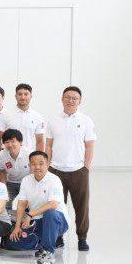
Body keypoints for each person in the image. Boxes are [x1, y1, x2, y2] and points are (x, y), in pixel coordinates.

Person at [46, 86, 95, 251]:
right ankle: (58, 236)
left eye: (75, 98)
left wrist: (86, 168)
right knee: (57, 205)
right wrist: (47, 166)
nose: (71, 100)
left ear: (80, 101)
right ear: (62, 99)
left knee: (82, 206)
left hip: (78, 170)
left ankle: (82, 238)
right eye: (68, 97)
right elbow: (49, 146)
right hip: (56, 169)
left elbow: (89, 146)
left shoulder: (86, 121)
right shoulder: (53, 120)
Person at [7, 151, 69, 264]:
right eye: (33, 164)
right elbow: (21, 204)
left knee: (50, 213)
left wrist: (30, 215)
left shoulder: (54, 180)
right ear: (29, 165)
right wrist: (17, 227)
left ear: (47, 164)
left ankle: (48, 252)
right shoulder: (26, 180)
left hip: (57, 221)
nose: (37, 167)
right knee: (14, 243)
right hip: (37, 221)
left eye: (41, 163)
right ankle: (52, 241)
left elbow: (53, 205)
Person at [0, 83, 46, 153]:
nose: (23, 97)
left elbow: (40, 141)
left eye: (26, 94)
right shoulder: (5, 114)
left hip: (29, 157)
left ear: (31, 96)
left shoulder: (38, 117)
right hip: (8, 156)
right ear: (15, 96)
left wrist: (39, 158)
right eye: (20, 94)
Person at [0, 129, 30, 203]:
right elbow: (2, 172)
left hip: (27, 184)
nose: (10, 145)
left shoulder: (29, 154)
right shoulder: (0, 155)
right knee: (6, 204)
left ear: (20, 142)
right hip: (11, 183)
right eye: (7, 142)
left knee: (26, 204)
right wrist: (3, 189)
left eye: (13, 141)